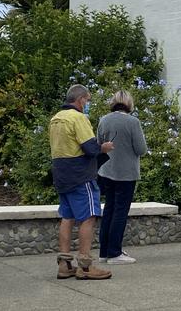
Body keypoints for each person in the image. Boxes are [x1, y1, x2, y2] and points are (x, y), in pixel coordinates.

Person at [49, 84, 113, 280]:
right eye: (88, 100)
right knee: (89, 216)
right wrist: (105, 147)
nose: (88, 104)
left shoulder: (55, 119)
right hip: (80, 174)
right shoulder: (78, 118)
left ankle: (64, 263)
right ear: (80, 100)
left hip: (60, 172)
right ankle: (85, 266)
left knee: (67, 216)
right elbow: (90, 149)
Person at [96, 90, 147, 264]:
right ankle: (115, 252)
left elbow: (98, 144)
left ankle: (104, 251)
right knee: (120, 212)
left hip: (106, 170)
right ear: (129, 104)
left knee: (109, 209)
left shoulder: (104, 120)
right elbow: (141, 149)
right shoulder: (133, 122)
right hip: (126, 173)